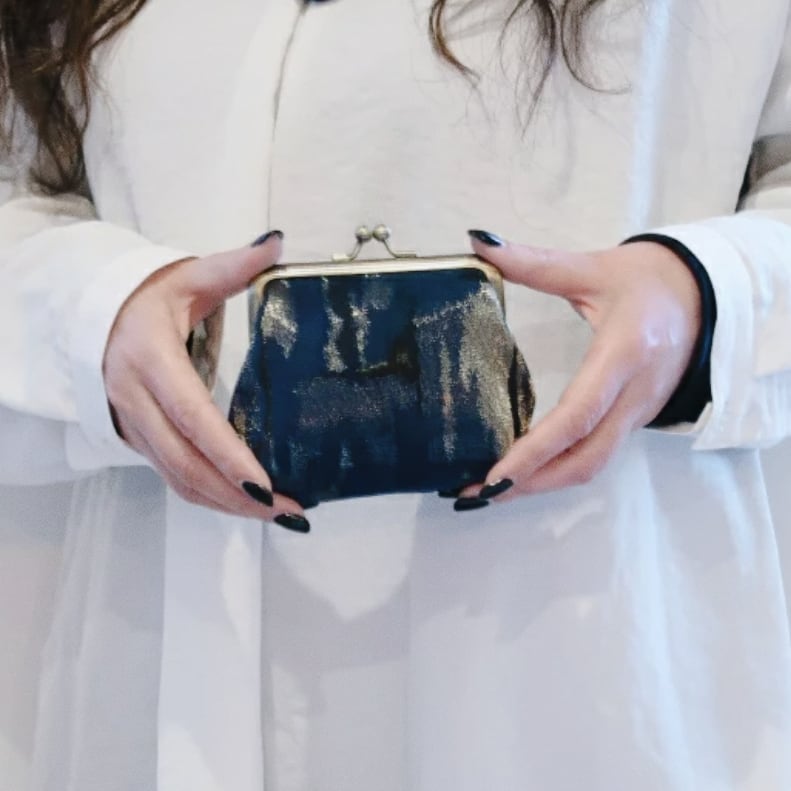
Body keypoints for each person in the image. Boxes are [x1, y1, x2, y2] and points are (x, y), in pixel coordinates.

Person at [1, 1, 790, 789]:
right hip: (170, 620)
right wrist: (95, 310)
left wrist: (704, 296)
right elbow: (22, 186)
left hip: (591, 623)